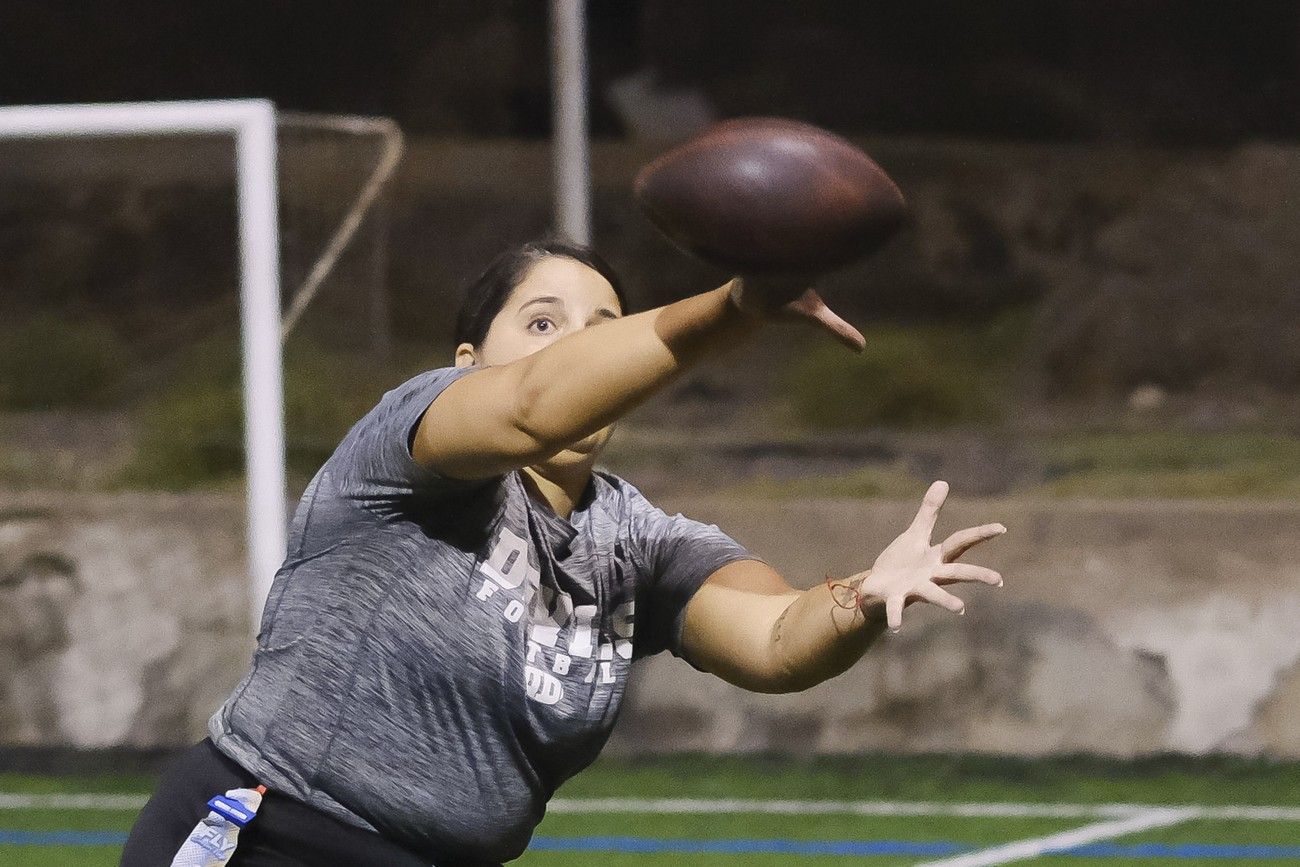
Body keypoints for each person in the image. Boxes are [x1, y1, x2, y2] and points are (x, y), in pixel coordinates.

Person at [122, 240, 1006, 866]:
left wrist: (862, 595)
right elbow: (532, 407)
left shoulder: (635, 540)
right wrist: (732, 309)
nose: (580, 344)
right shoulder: (411, 440)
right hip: (275, 839)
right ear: (471, 358)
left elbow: (776, 640)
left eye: (603, 327)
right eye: (543, 322)